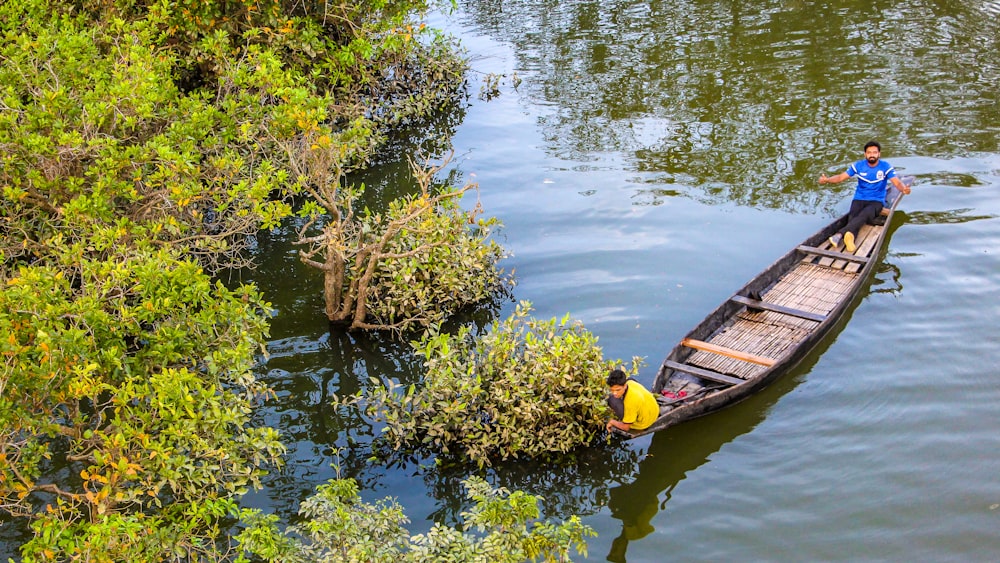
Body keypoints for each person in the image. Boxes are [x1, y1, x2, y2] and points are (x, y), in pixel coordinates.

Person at [818, 140, 911, 252]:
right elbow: (840, 177)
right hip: (859, 198)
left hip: (876, 201)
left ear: (879, 154)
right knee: (853, 219)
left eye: (874, 152)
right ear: (865, 154)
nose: (872, 155)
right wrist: (827, 180)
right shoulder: (858, 166)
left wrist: (904, 189)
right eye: (869, 152)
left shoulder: (885, 167)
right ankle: (850, 237)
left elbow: (897, 183)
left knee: (865, 214)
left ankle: (838, 235)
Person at [605, 369, 660, 433]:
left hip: (644, 423)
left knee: (612, 399)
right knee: (630, 379)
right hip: (655, 409)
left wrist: (612, 422)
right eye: (612, 390)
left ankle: (629, 419)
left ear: (625, 385)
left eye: (618, 390)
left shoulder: (630, 402)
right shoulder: (630, 382)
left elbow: (626, 428)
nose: (614, 393)